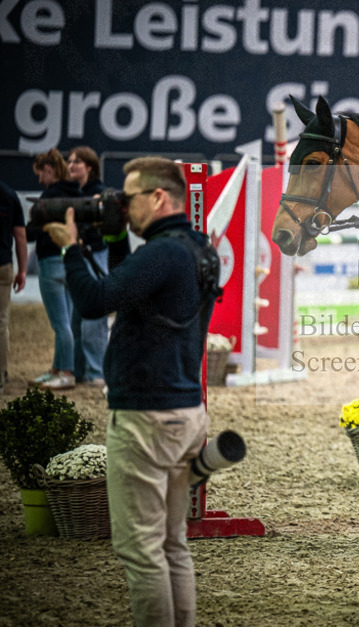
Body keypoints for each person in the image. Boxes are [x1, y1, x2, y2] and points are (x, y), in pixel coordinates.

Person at [43, 156, 220, 627]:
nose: (122, 204)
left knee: (141, 551)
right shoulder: (196, 247)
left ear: (159, 197)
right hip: (184, 413)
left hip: (146, 418)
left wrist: (72, 250)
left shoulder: (163, 252)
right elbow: (130, 289)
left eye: (129, 197)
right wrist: (119, 237)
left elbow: (96, 301)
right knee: (171, 544)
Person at [28, 148, 82, 389]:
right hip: (70, 260)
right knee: (67, 322)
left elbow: (32, 232)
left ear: (49, 170)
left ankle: (66, 373)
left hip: (50, 262)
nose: (40, 180)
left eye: (41, 174)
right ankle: (57, 369)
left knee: (60, 324)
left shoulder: (48, 197)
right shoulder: (77, 193)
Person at [67, 146, 109, 389]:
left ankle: (96, 372)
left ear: (90, 167)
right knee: (77, 317)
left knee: (93, 318)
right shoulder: (74, 192)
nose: (71, 165)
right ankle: (80, 370)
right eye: (70, 161)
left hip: (95, 255)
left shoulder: (99, 193)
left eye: (77, 162)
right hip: (81, 256)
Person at [0, 178, 28, 395]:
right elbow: (20, 237)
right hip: (3, 265)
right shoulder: (9, 194)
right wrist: (23, 270)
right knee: (1, 323)